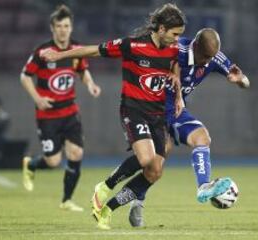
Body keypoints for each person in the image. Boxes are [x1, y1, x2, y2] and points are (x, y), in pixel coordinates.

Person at [41, 3, 186, 230]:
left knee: (155, 170)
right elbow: (92, 50)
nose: (177, 39)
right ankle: (105, 186)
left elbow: (175, 62)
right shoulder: (132, 45)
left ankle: (108, 209)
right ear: (161, 29)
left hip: (157, 113)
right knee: (146, 158)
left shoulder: (174, 48)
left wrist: (177, 92)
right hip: (133, 109)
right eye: (174, 34)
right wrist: (61, 55)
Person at [94, 28, 250, 227]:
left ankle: (203, 186)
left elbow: (245, 81)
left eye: (212, 57)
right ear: (195, 46)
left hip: (176, 112)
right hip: (152, 110)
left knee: (202, 137)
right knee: (153, 165)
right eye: (205, 57)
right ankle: (130, 197)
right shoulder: (176, 50)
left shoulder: (213, 57)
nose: (208, 61)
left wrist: (240, 81)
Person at [20, 5, 101, 212]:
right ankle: (31, 165)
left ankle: (66, 200)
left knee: (76, 153)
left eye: (66, 26)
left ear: (71, 28)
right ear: (52, 28)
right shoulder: (43, 52)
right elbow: (25, 76)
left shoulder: (76, 50)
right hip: (47, 115)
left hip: (70, 112)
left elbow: (82, 71)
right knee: (54, 161)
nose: (63, 30)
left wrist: (90, 84)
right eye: (59, 26)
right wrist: (37, 98)